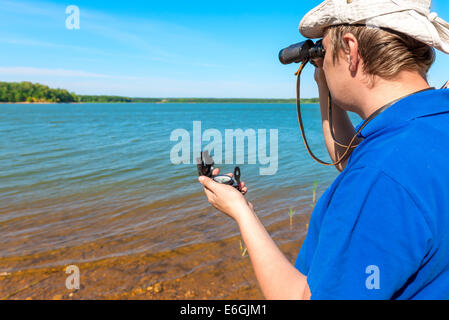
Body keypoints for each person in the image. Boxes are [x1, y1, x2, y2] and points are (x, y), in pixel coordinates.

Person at [198, 0, 449, 299]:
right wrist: (323, 82)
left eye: (326, 51)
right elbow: (352, 160)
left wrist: (241, 213)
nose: (324, 60)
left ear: (351, 50)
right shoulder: (427, 123)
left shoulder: (380, 179)